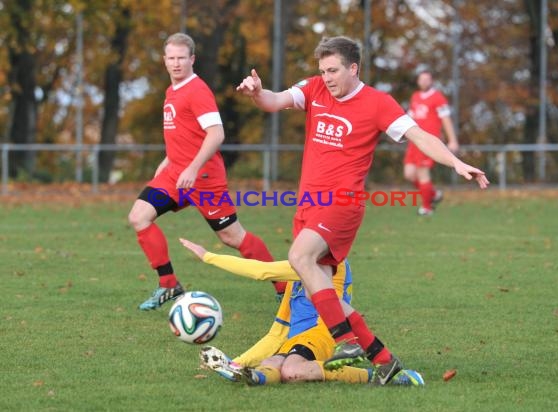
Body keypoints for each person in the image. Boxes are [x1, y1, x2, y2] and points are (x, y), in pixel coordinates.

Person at [236, 36, 489, 382]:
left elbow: (420, 136)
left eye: (334, 70)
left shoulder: (377, 103)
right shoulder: (314, 90)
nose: (327, 77)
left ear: (353, 68)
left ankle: (345, 340)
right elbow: (274, 100)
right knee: (320, 289)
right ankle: (383, 359)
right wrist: (255, 92)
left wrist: (456, 163)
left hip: (342, 204)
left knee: (300, 258)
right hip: (308, 207)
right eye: (323, 70)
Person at [128, 33, 285, 311]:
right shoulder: (171, 91)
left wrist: (192, 167)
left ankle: (285, 288)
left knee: (232, 237)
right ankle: (169, 285)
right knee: (139, 217)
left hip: (203, 179)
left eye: (181, 58)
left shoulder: (197, 91)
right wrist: (169, 160)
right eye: (171, 58)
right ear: (165, 60)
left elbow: (216, 134)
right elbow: (185, 133)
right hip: (176, 174)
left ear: (192, 60)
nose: (176, 63)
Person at [179, 238, 424, 387]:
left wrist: (208, 256)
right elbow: (276, 335)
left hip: (326, 333)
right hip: (299, 339)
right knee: (271, 362)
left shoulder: (327, 263)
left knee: (292, 370)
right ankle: (248, 376)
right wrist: (236, 363)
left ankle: (376, 375)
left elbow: (261, 271)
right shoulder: (298, 274)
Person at [404, 69, 460, 215]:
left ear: (431, 81)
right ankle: (433, 194)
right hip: (414, 141)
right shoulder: (415, 96)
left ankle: (427, 208)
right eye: (421, 79)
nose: (423, 82)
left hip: (428, 141)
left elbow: (446, 119)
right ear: (418, 81)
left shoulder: (438, 97)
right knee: (409, 174)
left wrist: (452, 140)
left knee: (423, 172)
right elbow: (410, 119)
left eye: (426, 79)